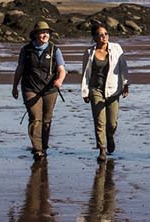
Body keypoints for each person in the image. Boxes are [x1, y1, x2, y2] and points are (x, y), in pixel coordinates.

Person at [11, 20, 67, 162]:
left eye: (47, 33)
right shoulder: (26, 50)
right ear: (35, 34)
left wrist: (59, 81)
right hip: (30, 88)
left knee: (46, 121)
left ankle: (44, 145)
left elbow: (61, 69)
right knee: (35, 119)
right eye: (42, 32)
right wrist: (15, 86)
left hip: (50, 90)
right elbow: (20, 69)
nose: (44, 35)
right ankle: (37, 149)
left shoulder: (55, 50)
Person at [79, 23, 130, 159]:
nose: (104, 37)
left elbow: (123, 67)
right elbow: (85, 73)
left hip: (113, 90)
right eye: (100, 35)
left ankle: (110, 136)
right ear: (95, 37)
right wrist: (85, 92)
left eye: (106, 34)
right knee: (99, 121)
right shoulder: (89, 53)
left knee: (112, 123)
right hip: (95, 90)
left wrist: (125, 84)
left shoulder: (116, 48)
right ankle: (102, 149)